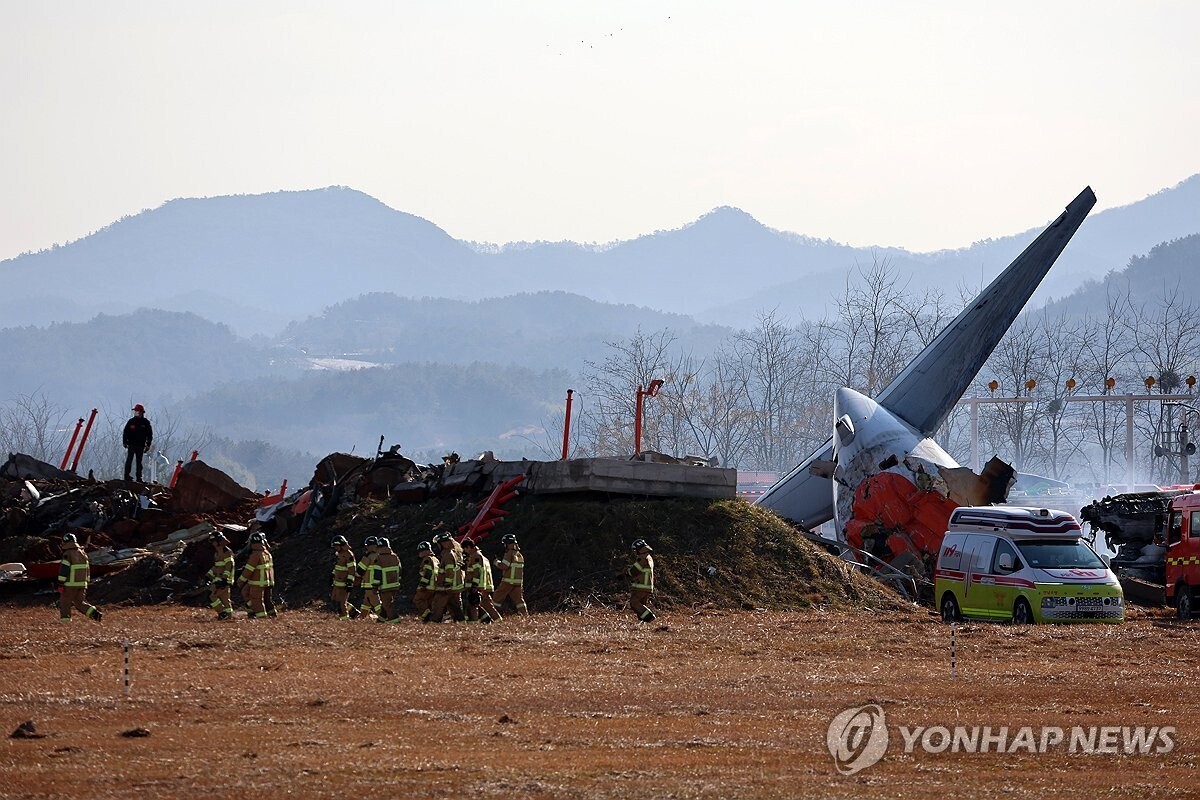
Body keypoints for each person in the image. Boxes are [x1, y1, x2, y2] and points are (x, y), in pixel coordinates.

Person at [57, 533, 102, 623]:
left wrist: (61, 583)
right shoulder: (83, 553)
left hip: (70, 584)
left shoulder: (67, 554)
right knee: (79, 603)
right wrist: (87, 581)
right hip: (82, 584)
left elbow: (64, 570)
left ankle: (65, 622)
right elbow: (88, 569)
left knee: (65, 603)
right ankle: (95, 614)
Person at [236, 533, 275, 619]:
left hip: (257, 582)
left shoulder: (255, 555)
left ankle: (261, 618)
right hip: (267, 581)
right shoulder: (267, 553)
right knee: (247, 592)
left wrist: (240, 581)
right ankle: (270, 614)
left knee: (256, 600)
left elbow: (248, 570)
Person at [429, 533, 465, 623]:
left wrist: (447, 585)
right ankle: (462, 625)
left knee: (437, 606)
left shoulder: (447, 554)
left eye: (438, 544)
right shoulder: (453, 553)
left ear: (444, 543)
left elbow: (449, 571)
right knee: (456, 608)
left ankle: (433, 625)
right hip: (454, 587)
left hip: (446, 588)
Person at [462, 539, 500, 623]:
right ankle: (497, 621)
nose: (465, 551)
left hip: (478, 587)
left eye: (465, 549)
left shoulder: (476, 556)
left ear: (468, 547)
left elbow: (477, 572)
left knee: (473, 605)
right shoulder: (481, 557)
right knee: (487, 605)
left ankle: (474, 624)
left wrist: (474, 585)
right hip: (484, 585)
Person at [492, 534, 528, 616]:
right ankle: (525, 616)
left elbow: (504, 566)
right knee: (519, 601)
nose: (504, 545)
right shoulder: (519, 554)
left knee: (496, 598)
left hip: (508, 582)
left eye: (504, 543)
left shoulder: (509, 553)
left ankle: (492, 616)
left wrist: (496, 563)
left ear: (507, 543)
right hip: (518, 583)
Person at [122, 404, 154, 482]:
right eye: (135, 412)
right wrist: (124, 442)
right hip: (131, 444)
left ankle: (139, 478)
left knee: (139, 462)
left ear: (142, 413)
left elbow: (149, 434)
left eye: (137, 412)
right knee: (129, 460)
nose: (136, 413)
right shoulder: (131, 421)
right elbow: (125, 432)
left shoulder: (146, 423)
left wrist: (148, 445)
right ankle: (127, 476)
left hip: (140, 445)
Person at [330, 536, 360, 620]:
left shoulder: (348, 555)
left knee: (341, 601)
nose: (335, 548)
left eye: (336, 546)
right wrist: (332, 575)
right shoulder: (339, 554)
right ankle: (354, 612)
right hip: (337, 582)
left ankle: (345, 618)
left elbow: (352, 570)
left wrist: (350, 582)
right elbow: (338, 567)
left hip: (344, 583)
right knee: (335, 599)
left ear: (341, 545)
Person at [207, 531, 235, 620]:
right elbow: (217, 567)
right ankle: (228, 617)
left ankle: (223, 613)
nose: (212, 544)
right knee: (225, 599)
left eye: (213, 541)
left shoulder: (226, 552)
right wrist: (209, 575)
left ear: (218, 541)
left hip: (224, 580)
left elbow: (229, 566)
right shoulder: (217, 553)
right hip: (218, 579)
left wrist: (224, 579)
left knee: (213, 596)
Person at [374, 537, 402, 623]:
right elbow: (400, 570)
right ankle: (380, 620)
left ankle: (395, 621)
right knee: (386, 604)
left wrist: (375, 586)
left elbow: (377, 574)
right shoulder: (395, 557)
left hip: (384, 587)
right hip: (395, 585)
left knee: (387, 605)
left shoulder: (378, 558)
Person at [629, 538, 656, 623]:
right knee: (641, 606)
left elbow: (634, 571)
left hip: (642, 586)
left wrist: (624, 573)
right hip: (646, 585)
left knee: (634, 602)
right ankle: (643, 622)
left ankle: (650, 618)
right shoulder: (648, 557)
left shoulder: (642, 558)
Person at [355, 536, 382, 619]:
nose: (366, 547)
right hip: (376, 584)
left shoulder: (369, 557)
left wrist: (355, 577)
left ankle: (383, 617)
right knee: (366, 602)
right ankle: (362, 616)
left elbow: (360, 571)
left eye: (368, 545)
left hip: (370, 584)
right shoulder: (380, 555)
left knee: (376, 602)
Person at [413, 541, 440, 623]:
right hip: (434, 586)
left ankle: (426, 616)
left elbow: (428, 572)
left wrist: (423, 584)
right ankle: (429, 620)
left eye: (420, 551)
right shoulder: (435, 559)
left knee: (418, 600)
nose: (419, 553)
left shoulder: (427, 559)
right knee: (429, 603)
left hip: (428, 586)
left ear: (425, 551)